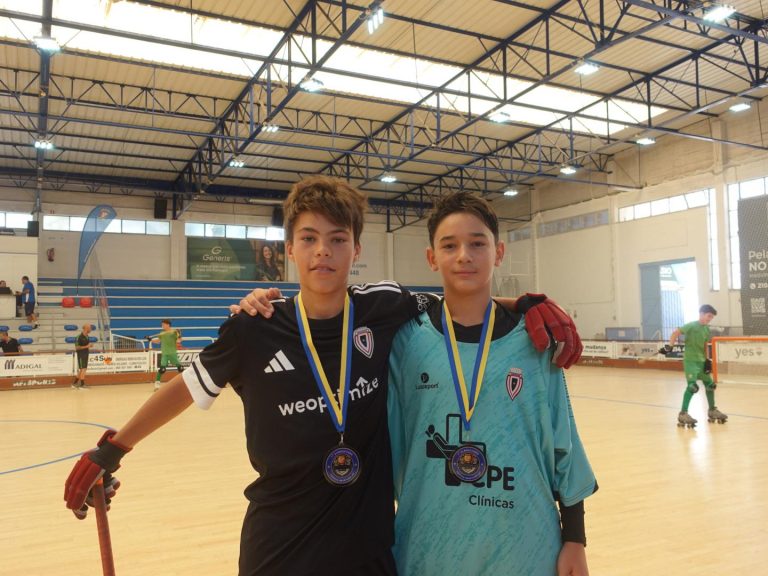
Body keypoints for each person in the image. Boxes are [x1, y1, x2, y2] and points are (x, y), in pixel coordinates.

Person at [64, 177, 582, 576]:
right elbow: (186, 386)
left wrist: (528, 304)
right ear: (288, 248)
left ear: (356, 250)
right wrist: (115, 448)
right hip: (280, 548)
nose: (322, 252)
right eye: (308, 238)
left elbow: (463, 297)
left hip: (368, 549)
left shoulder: (384, 308)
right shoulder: (255, 327)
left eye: (337, 239)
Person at [385, 192, 597, 576]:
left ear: (498, 252)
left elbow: (563, 443)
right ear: (431, 257)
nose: (464, 255)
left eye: (477, 243)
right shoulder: (405, 342)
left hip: (525, 547)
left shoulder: (535, 341)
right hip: (429, 546)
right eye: (449, 245)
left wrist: (575, 538)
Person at [662, 304, 727, 427]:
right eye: (708, 316)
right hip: (690, 361)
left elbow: (705, 344)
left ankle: (712, 410)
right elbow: (675, 333)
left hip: (701, 361)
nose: (710, 319)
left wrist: (707, 359)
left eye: (711, 317)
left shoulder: (706, 329)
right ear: (701, 314)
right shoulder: (691, 325)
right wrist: (670, 346)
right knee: (692, 387)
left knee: (710, 385)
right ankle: (683, 413)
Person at [146, 319, 183, 392]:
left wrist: (179, 334)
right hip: (165, 354)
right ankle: (157, 385)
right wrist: (150, 340)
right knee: (162, 369)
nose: (162, 326)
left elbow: (179, 340)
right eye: (162, 324)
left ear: (168, 325)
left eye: (163, 324)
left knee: (180, 368)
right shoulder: (162, 333)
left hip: (172, 353)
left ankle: (184, 383)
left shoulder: (174, 332)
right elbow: (158, 341)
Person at [72, 324, 92, 389]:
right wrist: (87, 346)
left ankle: (74, 384)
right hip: (81, 355)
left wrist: (89, 346)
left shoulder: (87, 336)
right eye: (90, 328)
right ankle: (82, 385)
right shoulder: (79, 337)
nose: (91, 329)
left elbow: (86, 346)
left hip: (86, 354)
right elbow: (77, 348)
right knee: (83, 369)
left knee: (82, 370)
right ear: (86, 328)